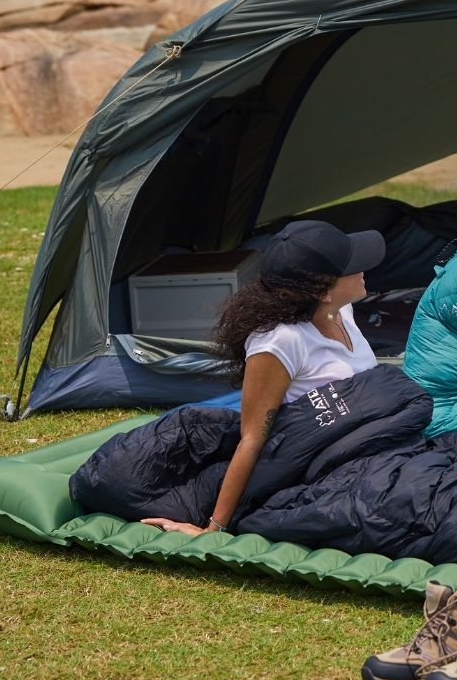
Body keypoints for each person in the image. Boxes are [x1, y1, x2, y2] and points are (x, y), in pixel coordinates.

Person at [143, 220, 385, 535]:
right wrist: (214, 528)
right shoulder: (280, 342)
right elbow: (253, 438)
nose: (363, 269)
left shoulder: (342, 311)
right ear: (323, 292)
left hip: (374, 445)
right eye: (351, 266)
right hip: (332, 468)